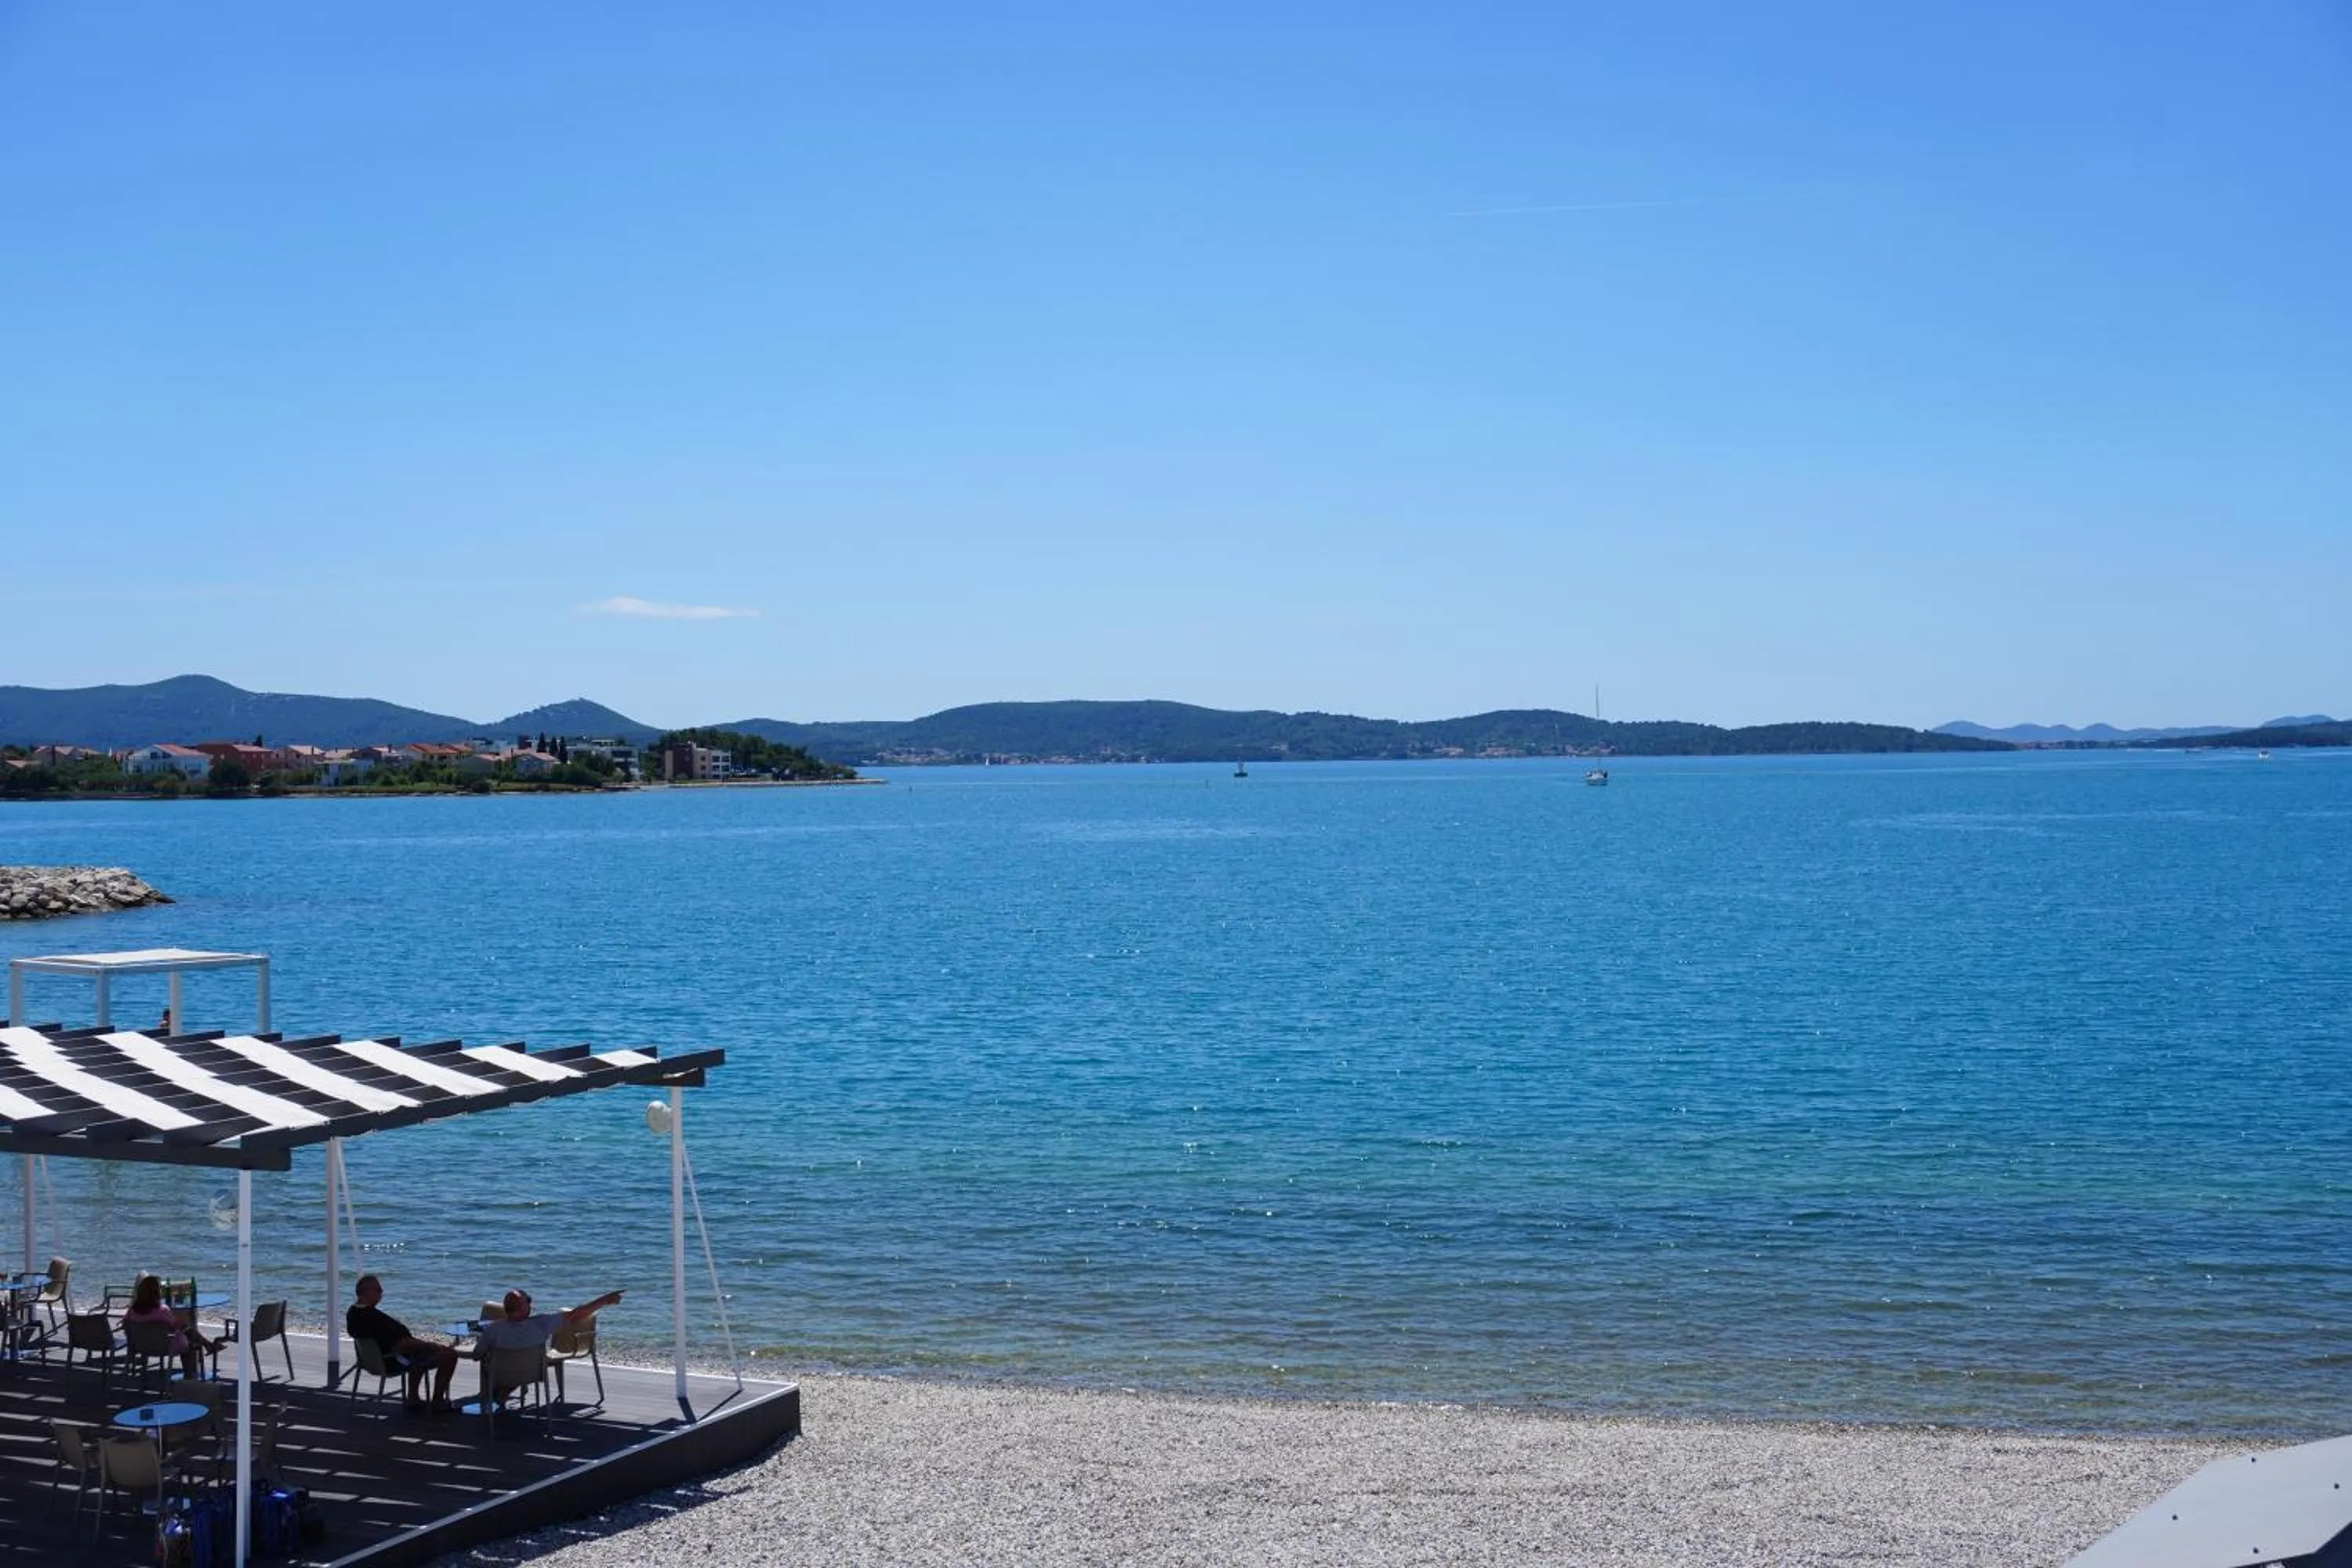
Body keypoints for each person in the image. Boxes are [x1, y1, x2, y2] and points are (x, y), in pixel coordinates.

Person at [474, 1287, 622, 1403]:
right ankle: (502, 1392)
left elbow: (476, 1355)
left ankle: (495, 1395)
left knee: (494, 1361)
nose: (531, 1305)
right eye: (529, 1301)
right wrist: (605, 1300)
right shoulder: (541, 1325)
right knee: (519, 1364)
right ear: (523, 1307)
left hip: (501, 1375)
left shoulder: (493, 1329)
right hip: (532, 1374)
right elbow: (578, 1314)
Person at [346, 1273, 460, 1413]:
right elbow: (399, 1345)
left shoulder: (354, 1312)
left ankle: (413, 1397)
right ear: (365, 1292)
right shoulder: (372, 1318)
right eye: (378, 1290)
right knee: (449, 1355)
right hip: (392, 1360)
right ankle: (437, 1401)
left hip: (373, 1360)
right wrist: (430, 1346)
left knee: (420, 1351)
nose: (381, 1293)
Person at [121, 1273, 222, 1381]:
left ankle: (209, 1345)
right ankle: (190, 1378)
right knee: (191, 1342)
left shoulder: (132, 1311)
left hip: (140, 1346)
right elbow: (174, 1328)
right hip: (165, 1346)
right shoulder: (162, 1310)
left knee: (186, 1330)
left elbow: (126, 1325)